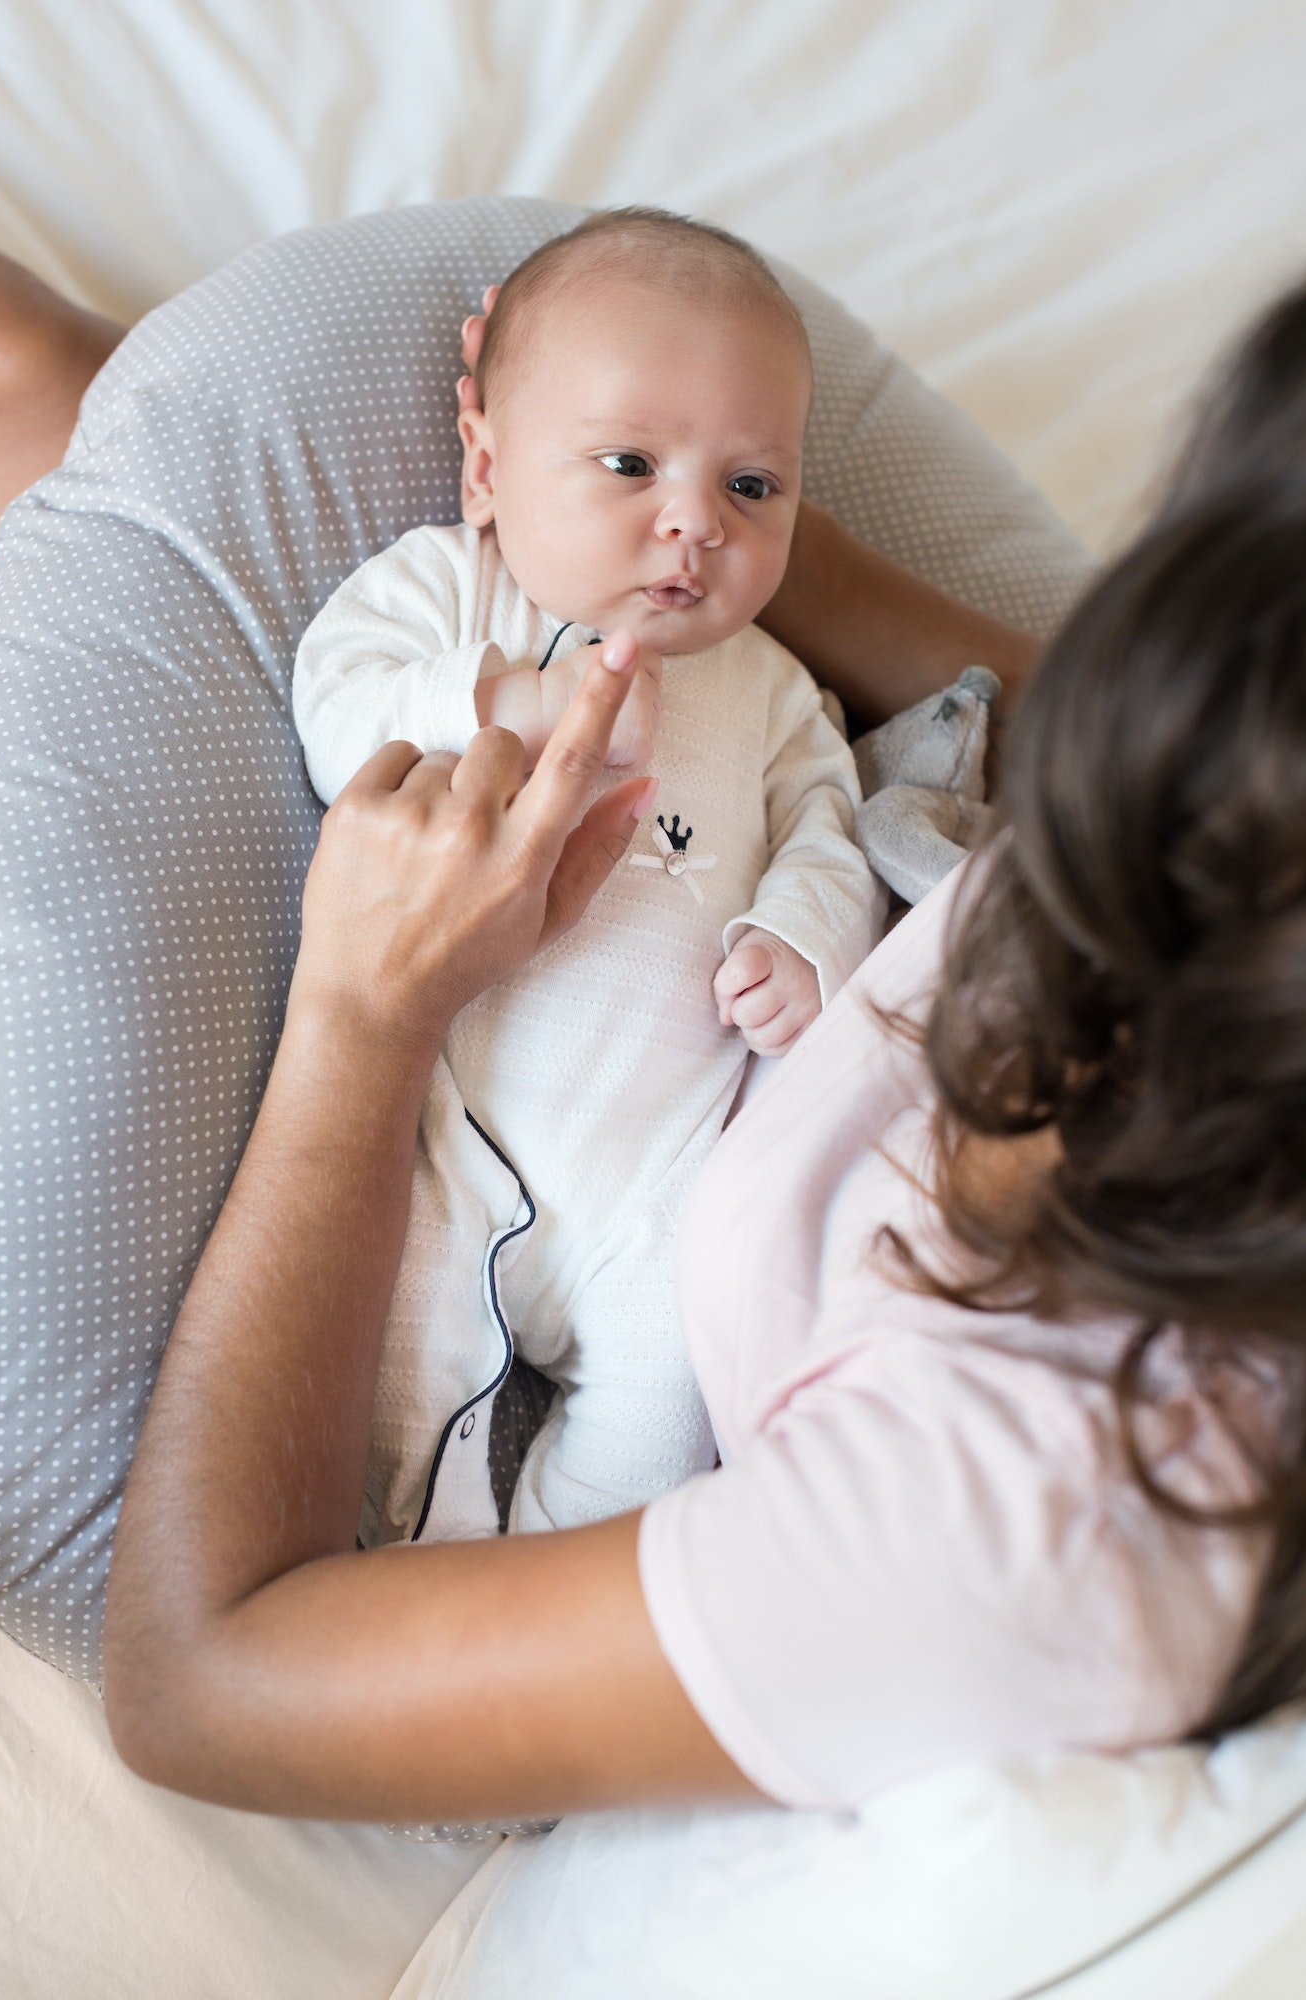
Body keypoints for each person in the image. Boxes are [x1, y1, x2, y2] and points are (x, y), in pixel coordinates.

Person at [95, 275, 1306, 1825]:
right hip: (490, 1131)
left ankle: (481, 1543)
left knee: (614, 1409)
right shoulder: (1183, 802)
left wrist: (363, 1009)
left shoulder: (1038, 1510)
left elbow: (206, 1681)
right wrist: (666, 476)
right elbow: (1050, 694)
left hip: (652, 1169)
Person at [293, 209, 883, 1544]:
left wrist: (801, 941)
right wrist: (510, 697)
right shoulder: (455, 594)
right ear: (489, 467)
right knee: (381, 1412)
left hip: (664, 1186)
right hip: (455, 1140)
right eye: (629, 464)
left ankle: (532, 1598)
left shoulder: (776, 690)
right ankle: (399, 1583)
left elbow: (829, 833)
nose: (693, 527)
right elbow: (337, 705)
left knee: (659, 1446)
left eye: (751, 488)